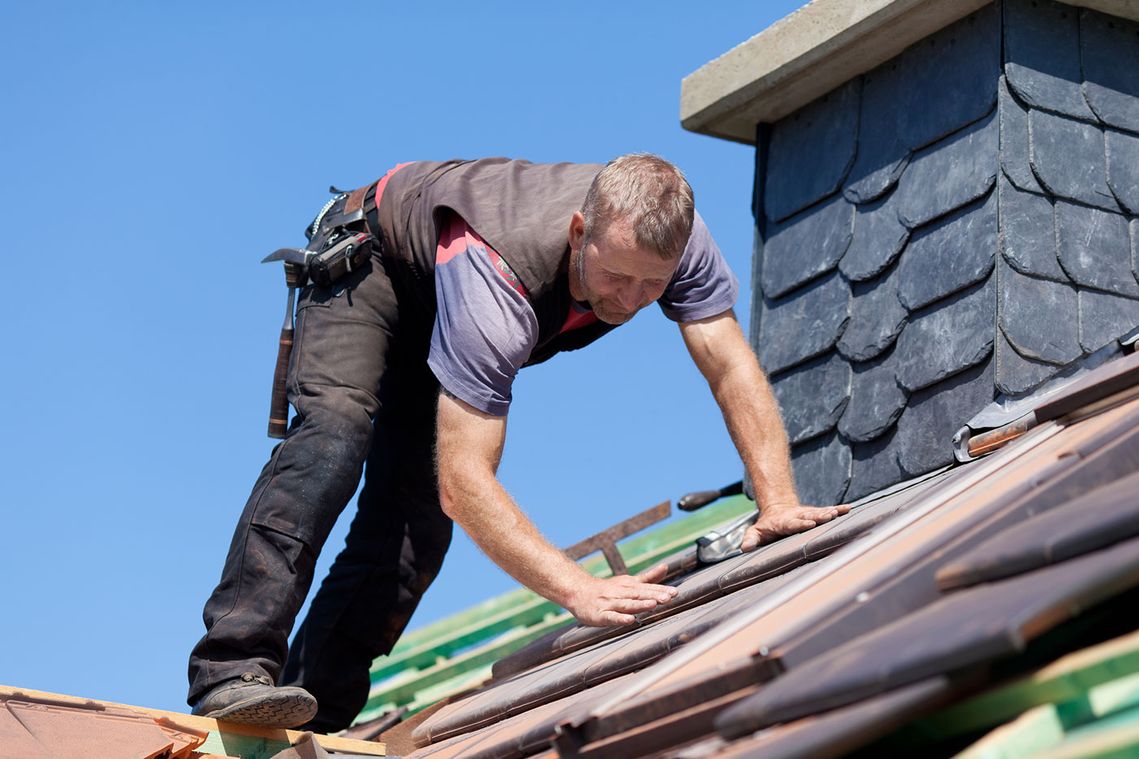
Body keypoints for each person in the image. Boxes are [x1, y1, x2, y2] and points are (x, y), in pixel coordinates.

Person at [187, 154, 848, 732]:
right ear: (578, 231)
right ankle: (233, 668)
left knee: (415, 527)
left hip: (446, 317)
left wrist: (777, 501)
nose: (634, 299)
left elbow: (729, 364)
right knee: (334, 437)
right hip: (378, 269)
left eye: (654, 283)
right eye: (618, 277)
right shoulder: (498, 271)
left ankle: (317, 718)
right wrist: (576, 588)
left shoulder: (676, 242)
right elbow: (465, 480)